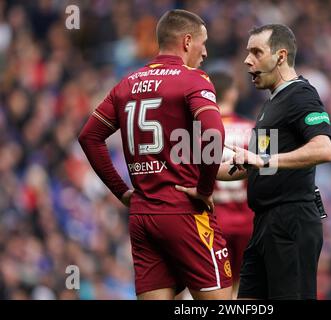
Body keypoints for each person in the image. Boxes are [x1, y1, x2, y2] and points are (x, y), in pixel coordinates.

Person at [78, 9, 232, 300]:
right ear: (187, 42)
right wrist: (205, 188)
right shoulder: (193, 79)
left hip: (143, 216)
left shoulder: (127, 83)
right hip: (184, 210)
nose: (206, 51)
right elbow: (213, 133)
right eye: (203, 42)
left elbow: (89, 136)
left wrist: (123, 193)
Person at [216, 24, 331, 299]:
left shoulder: (301, 95)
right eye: (248, 53)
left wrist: (264, 158)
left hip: (291, 221)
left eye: (256, 52)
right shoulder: (270, 106)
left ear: (281, 56)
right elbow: (253, 166)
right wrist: (196, 175)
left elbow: (324, 148)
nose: (247, 60)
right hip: (264, 224)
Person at [209, 71, 254, 299]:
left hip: (213, 222)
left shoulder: (200, 131)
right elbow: (267, 172)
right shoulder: (253, 128)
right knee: (244, 288)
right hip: (248, 220)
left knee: (214, 287)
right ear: (232, 94)